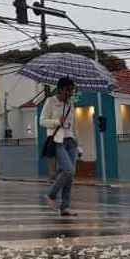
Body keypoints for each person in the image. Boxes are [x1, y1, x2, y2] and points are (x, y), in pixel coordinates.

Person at [41, 76, 79, 216]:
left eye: (72, 90)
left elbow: (73, 126)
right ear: (60, 89)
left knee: (70, 175)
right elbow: (42, 121)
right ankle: (51, 195)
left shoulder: (70, 104)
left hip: (71, 141)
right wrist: (57, 121)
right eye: (68, 90)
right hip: (58, 140)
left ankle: (65, 207)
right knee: (68, 170)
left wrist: (78, 144)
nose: (70, 93)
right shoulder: (50, 101)